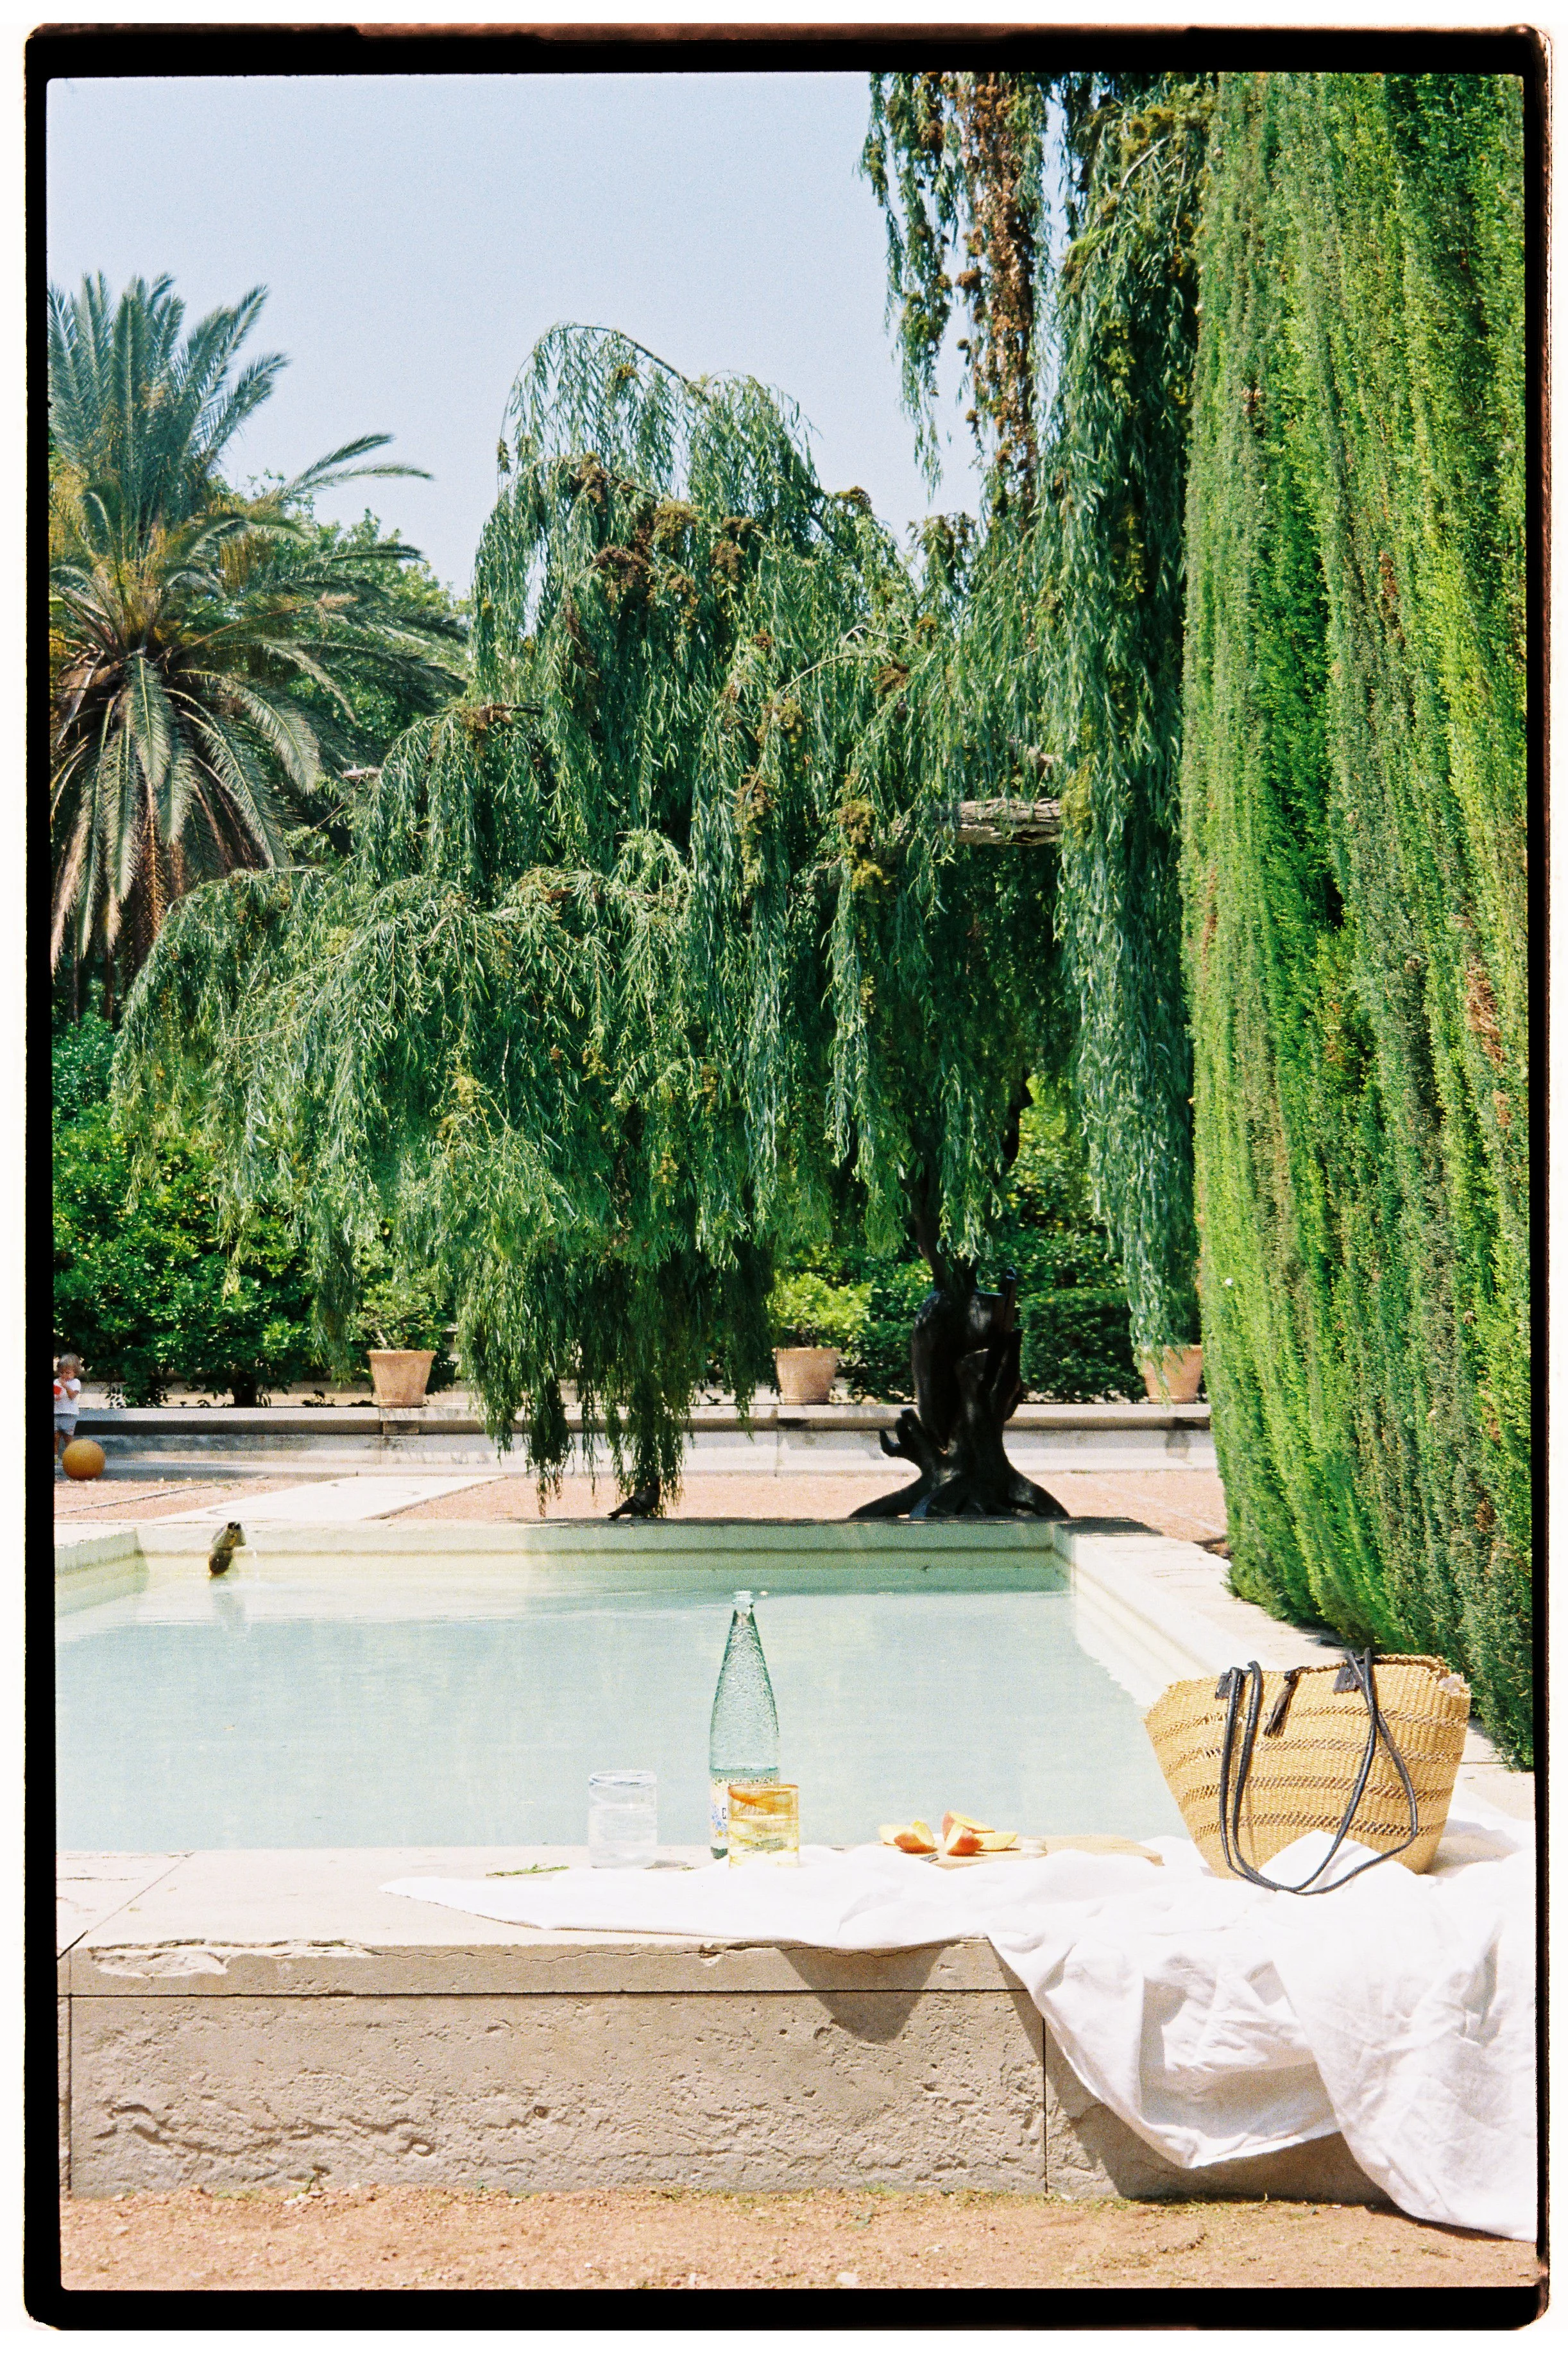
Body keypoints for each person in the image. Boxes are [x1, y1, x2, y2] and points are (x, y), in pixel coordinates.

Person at [54, 1353, 83, 1474]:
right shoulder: (56, 1381)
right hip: (56, 1412)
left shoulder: (75, 1382)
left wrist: (66, 1387)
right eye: (62, 1372)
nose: (64, 1375)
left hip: (69, 1413)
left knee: (68, 1436)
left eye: (68, 1373)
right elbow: (55, 1395)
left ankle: (70, 1459)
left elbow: (72, 1396)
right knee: (55, 1436)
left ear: (74, 1372)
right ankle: (55, 1458)